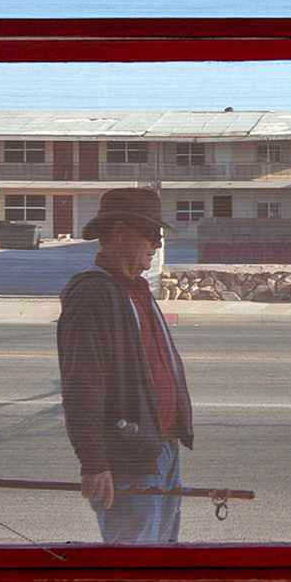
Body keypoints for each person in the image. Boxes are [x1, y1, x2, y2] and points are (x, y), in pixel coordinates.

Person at [57, 188, 195, 544]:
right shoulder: (92, 294)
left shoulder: (135, 289)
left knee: (161, 560)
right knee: (135, 565)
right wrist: (93, 463)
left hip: (160, 450)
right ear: (119, 231)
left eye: (158, 235)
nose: (157, 244)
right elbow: (82, 386)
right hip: (128, 461)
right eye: (150, 233)